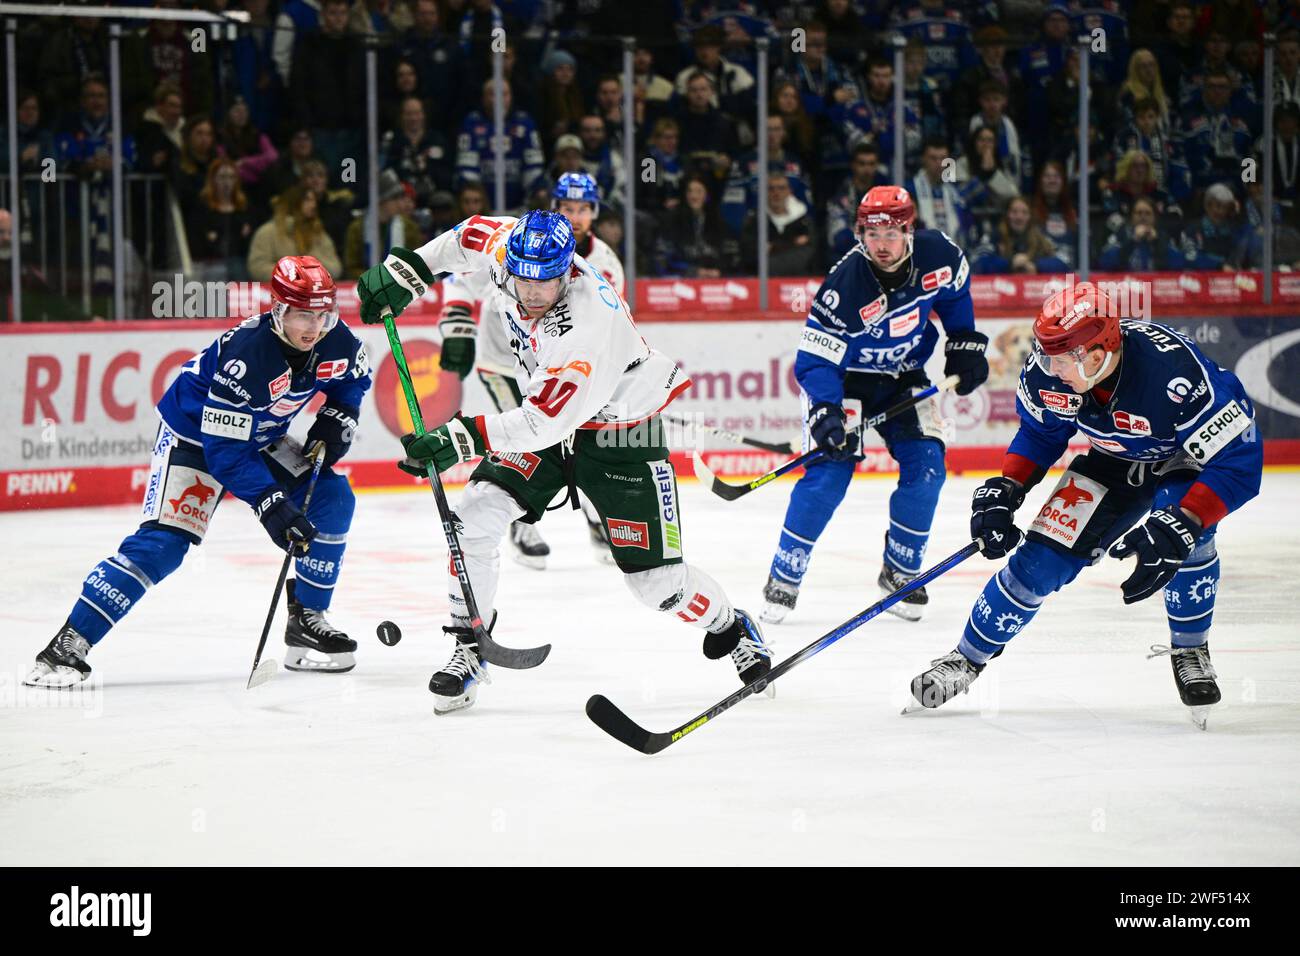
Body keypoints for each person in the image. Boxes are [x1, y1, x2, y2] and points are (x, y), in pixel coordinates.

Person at [354, 211, 773, 714]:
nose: (532, 292)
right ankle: (469, 646)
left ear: (568, 270)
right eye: (524, 277)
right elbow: (466, 236)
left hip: (620, 430)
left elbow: (541, 426)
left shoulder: (584, 325)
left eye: (546, 280)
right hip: (549, 416)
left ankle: (731, 625)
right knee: (478, 512)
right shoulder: (510, 247)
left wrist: (463, 438)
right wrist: (413, 271)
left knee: (655, 583)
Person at [907, 282, 1263, 729]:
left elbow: (1241, 460)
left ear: (1096, 355)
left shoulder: (1174, 373)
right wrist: (1007, 488)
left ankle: (1190, 648)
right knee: (1037, 564)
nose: (1048, 367)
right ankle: (965, 659)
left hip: (1183, 456)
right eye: (1045, 352)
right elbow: (1041, 434)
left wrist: (1186, 520)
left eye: (1059, 357)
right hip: (1113, 461)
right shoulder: (1049, 371)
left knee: (1183, 536)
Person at [24, 256, 371, 687]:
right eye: (303, 314)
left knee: (332, 500)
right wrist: (271, 504)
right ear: (278, 309)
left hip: (259, 436)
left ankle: (307, 618)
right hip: (196, 440)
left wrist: (339, 415)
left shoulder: (335, 339)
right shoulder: (246, 355)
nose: (314, 327)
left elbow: (353, 377)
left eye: (323, 314)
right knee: (165, 544)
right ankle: (68, 643)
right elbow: (224, 452)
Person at [760, 186, 989, 624]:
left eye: (891, 234)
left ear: (909, 230)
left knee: (927, 469)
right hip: (845, 385)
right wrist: (825, 410)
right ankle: (785, 574)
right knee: (830, 475)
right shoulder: (845, 286)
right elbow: (815, 362)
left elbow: (955, 298)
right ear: (859, 232)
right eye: (871, 234)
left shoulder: (940, 255)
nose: (881, 246)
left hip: (904, 379)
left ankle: (901, 572)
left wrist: (965, 345)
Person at [438, 170, 626, 569]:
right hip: (502, 360)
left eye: (583, 208)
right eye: (567, 207)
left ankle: (595, 519)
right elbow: (460, 272)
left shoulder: (605, 264)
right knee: (528, 438)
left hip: (555, 369)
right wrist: (458, 325)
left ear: (594, 212)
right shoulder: (520, 241)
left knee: (572, 439)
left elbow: (607, 330)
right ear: (555, 208)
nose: (575, 216)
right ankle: (521, 524)